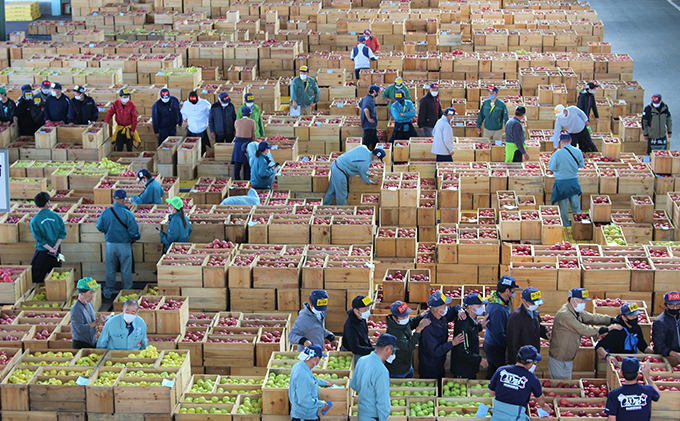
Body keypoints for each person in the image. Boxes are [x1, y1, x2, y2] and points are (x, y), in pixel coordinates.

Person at [549, 288, 621, 380]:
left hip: (567, 357)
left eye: (584, 301)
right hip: (560, 357)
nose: (583, 303)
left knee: (566, 381)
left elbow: (592, 318)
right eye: (581, 301)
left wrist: (611, 319)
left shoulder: (575, 311)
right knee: (562, 384)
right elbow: (584, 330)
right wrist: (607, 329)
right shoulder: (565, 315)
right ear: (572, 300)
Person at [96, 189, 141, 299]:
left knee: (110, 269)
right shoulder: (127, 214)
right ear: (124, 200)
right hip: (124, 246)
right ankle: (127, 291)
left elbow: (99, 227)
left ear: (114, 199)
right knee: (126, 269)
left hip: (110, 245)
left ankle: (108, 292)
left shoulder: (106, 212)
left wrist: (109, 231)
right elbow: (134, 231)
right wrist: (135, 238)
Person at [489, 345, 552, 421]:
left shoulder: (501, 370)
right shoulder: (532, 379)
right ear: (530, 363)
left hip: (497, 417)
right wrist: (544, 406)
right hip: (516, 417)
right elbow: (540, 398)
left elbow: (491, 393)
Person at [418, 292, 465, 380]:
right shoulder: (428, 327)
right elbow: (434, 351)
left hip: (439, 363)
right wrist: (452, 343)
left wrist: (460, 310)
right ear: (439, 310)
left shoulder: (442, 315)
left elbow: (454, 308)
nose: (447, 307)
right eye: (444, 305)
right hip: (429, 367)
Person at [349, 334, 396, 421]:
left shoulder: (362, 360)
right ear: (388, 348)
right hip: (373, 416)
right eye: (393, 351)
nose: (392, 354)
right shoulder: (382, 371)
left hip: (362, 412)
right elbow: (383, 402)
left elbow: (354, 385)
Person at [484, 275, 522, 380]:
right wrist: (511, 346)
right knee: (500, 372)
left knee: (493, 371)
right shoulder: (498, 309)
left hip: (492, 344)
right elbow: (498, 334)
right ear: (507, 291)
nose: (514, 293)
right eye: (513, 291)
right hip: (496, 347)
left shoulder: (499, 300)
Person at [385, 301, 430, 379]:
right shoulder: (394, 333)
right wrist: (418, 330)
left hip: (407, 365)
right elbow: (409, 347)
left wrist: (420, 316)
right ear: (394, 318)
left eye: (407, 315)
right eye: (403, 316)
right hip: (398, 370)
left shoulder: (401, 323)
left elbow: (410, 324)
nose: (406, 318)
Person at [506, 287, 551, 365]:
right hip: (522, 361)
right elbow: (512, 343)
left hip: (532, 357)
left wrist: (545, 332)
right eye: (532, 303)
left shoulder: (534, 313)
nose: (535, 305)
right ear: (524, 301)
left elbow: (536, 327)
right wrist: (519, 363)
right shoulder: (515, 317)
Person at [30, 192, 66, 284]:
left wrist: (50, 249)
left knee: (36, 278)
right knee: (56, 278)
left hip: (42, 252)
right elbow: (62, 233)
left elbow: (39, 240)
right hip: (55, 252)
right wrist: (55, 247)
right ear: (47, 203)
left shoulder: (34, 220)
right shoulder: (57, 216)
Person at [549, 133, 585, 226]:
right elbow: (581, 165)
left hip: (561, 182)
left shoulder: (557, 154)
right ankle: (578, 223)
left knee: (563, 205)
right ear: (571, 141)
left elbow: (552, 167)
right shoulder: (578, 151)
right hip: (573, 181)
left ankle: (565, 224)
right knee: (575, 204)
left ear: (561, 142)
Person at [289, 344, 332, 421]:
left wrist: (323, 382)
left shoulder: (299, 366)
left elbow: (310, 379)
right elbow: (304, 400)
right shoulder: (303, 375)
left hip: (302, 414)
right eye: (320, 358)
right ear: (315, 359)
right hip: (304, 417)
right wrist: (321, 404)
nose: (320, 361)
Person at [451, 293, 489, 379]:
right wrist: (480, 360)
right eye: (479, 305)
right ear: (470, 307)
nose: (481, 307)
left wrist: (480, 327)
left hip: (470, 367)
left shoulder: (472, 318)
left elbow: (471, 330)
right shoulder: (463, 324)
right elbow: (463, 351)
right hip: (463, 370)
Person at [70, 277, 107, 349]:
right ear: (82, 294)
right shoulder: (76, 309)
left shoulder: (89, 304)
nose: (93, 295)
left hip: (91, 342)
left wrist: (100, 320)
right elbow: (80, 328)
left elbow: (91, 320)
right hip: (81, 346)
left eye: (93, 292)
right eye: (90, 292)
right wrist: (96, 322)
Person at [652, 291, 680, 367]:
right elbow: (658, 345)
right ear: (665, 306)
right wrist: (672, 353)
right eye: (672, 305)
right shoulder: (660, 322)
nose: (675, 308)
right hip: (668, 355)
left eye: (678, 305)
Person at [342, 295, 374, 359]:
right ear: (356, 311)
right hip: (353, 353)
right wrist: (373, 350)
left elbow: (365, 335)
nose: (367, 311)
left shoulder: (361, 318)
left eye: (368, 308)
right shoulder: (351, 326)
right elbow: (355, 348)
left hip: (363, 349)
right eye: (365, 309)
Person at [181, 91, 212, 155]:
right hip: (191, 130)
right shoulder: (186, 104)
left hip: (202, 130)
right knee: (190, 149)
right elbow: (183, 115)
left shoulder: (205, 103)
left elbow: (210, 114)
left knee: (202, 150)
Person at [232, 106, 258, 181]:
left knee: (237, 164)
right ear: (250, 114)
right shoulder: (252, 122)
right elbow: (253, 134)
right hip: (247, 144)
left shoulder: (236, 122)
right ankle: (247, 181)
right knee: (247, 164)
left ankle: (237, 180)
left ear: (241, 113)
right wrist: (254, 144)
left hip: (238, 144)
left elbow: (236, 132)